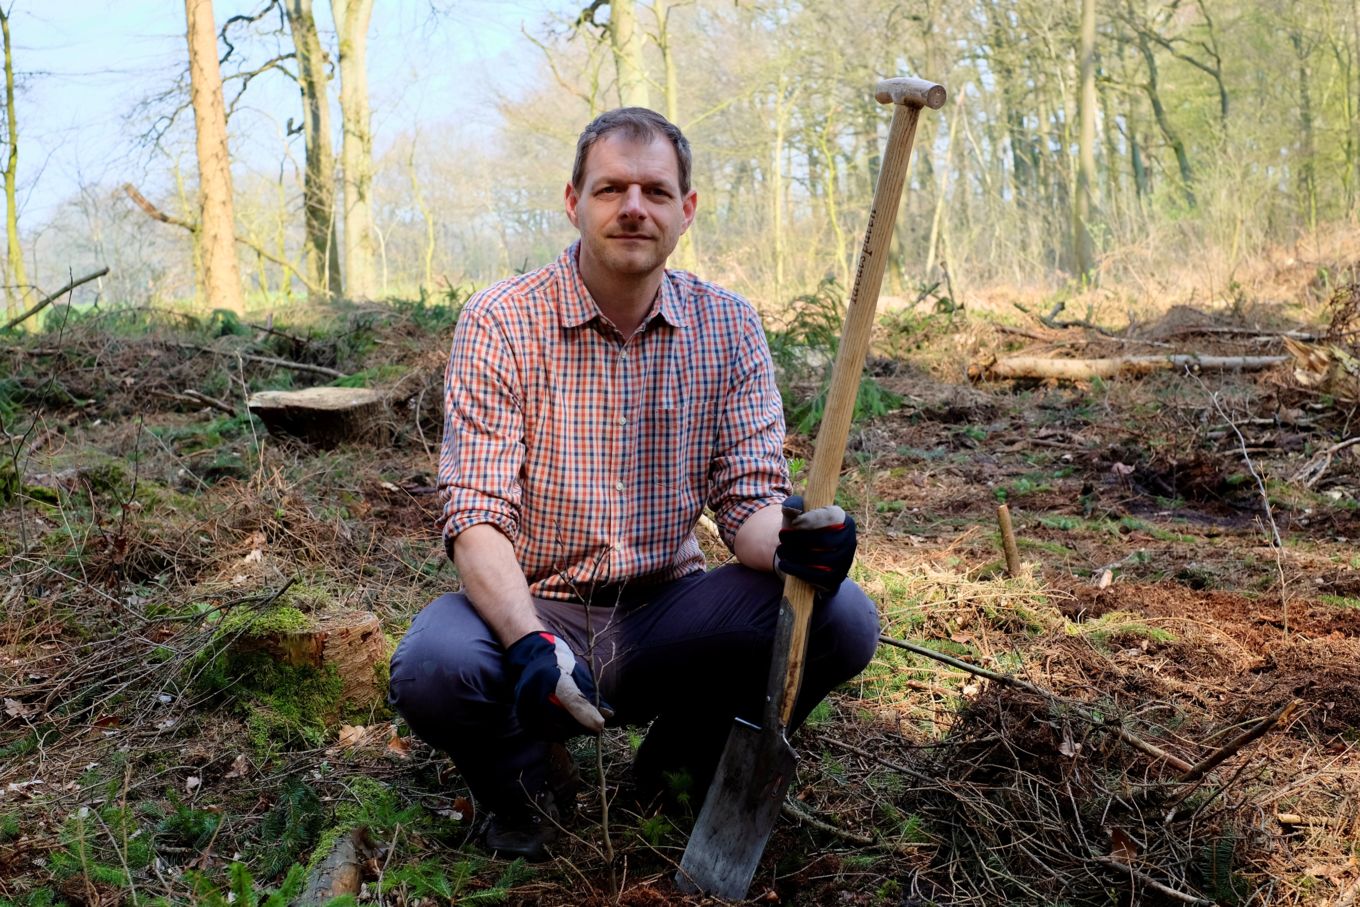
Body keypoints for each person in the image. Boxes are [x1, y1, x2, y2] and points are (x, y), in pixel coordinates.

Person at [388, 107, 879, 861]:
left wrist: (795, 544)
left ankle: (679, 766)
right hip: (538, 606)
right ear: (573, 200)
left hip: (671, 613)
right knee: (435, 665)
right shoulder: (501, 319)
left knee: (840, 617)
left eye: (654, 190)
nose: (632, 207)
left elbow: (747, 500)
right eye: (611, 187)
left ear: (686, 209)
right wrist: (526, 640)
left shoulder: (729, 326)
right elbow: (476, 513)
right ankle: (524, 790)